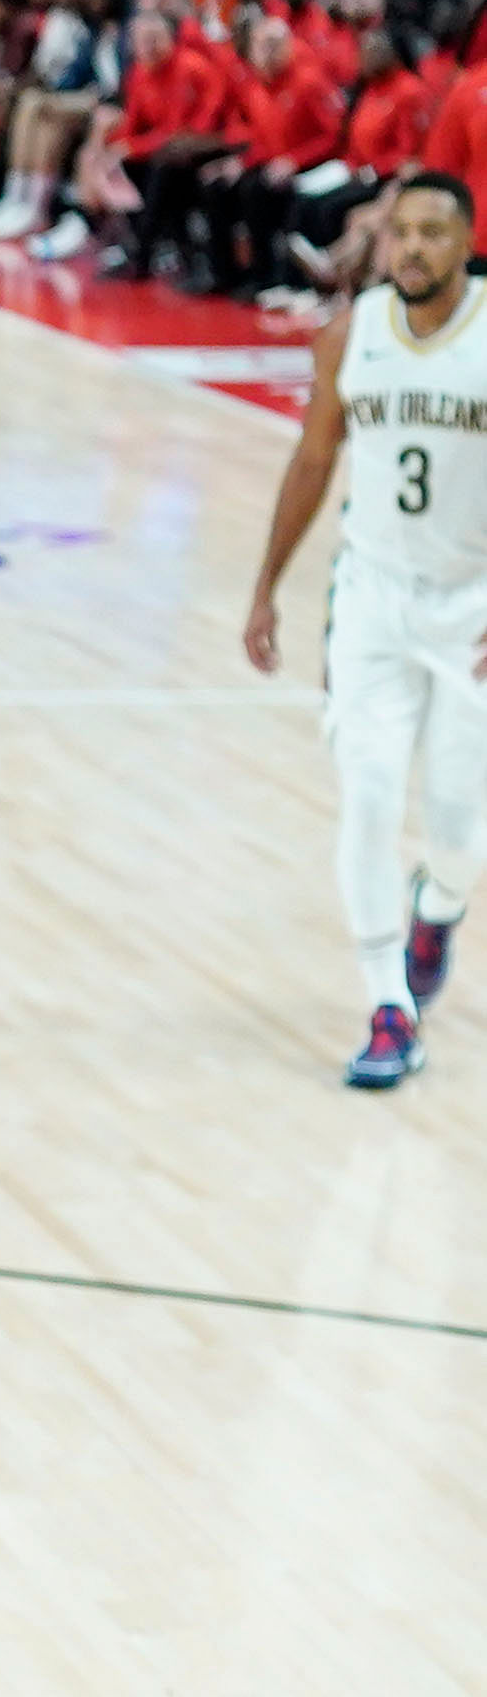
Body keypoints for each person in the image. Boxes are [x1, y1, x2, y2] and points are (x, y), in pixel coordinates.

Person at [238, 167, 486, 1089]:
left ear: (465, 244)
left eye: (432, 233)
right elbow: (312, 460)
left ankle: (442, 904)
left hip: (476, 606)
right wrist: (266, 585)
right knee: (371, 794)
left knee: (460, 826)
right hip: (373, 597)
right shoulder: (349, 335)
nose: (412, 248)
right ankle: (388, 1004)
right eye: (400, 233)